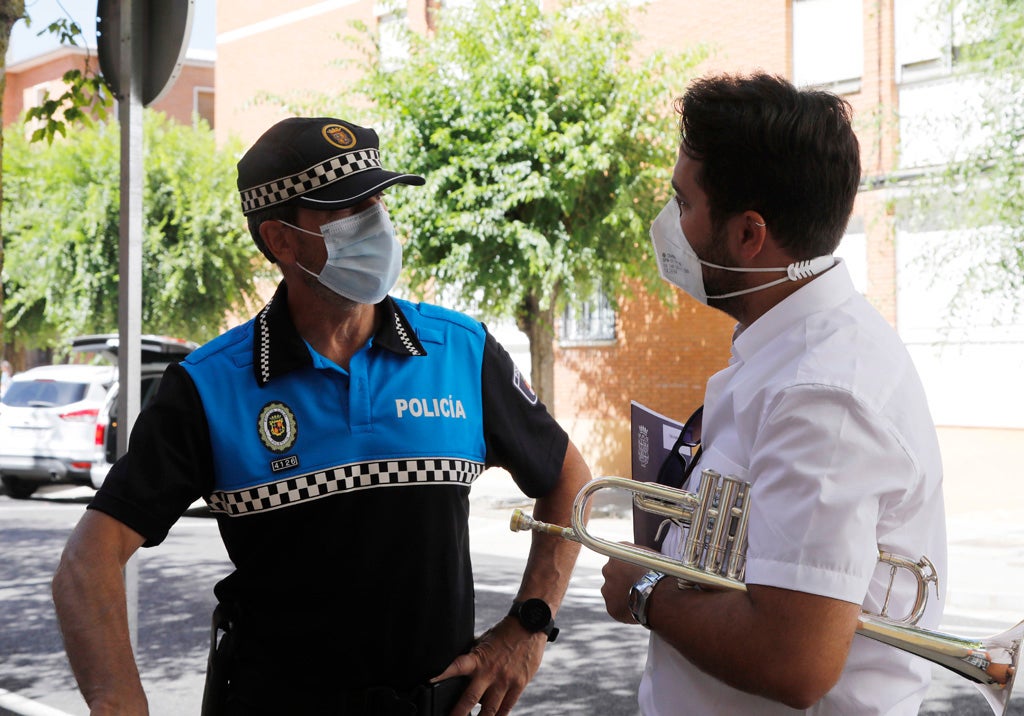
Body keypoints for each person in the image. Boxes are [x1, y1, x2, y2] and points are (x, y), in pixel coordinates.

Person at [52, 116, 592, 716]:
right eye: (346, 210)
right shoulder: (208, 387)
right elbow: (88, 560)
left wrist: (529, 624)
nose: (377, 225)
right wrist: (118, 702)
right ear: (280, 241)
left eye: (378, 202)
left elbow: (568, 478)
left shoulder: (460, 352)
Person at [600, 73, 947, 715]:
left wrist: (645, 590)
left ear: (748, 235)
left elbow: (794, 659)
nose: (669, 224)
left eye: (683, 203)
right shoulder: (785, 351)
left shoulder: (823, 391)